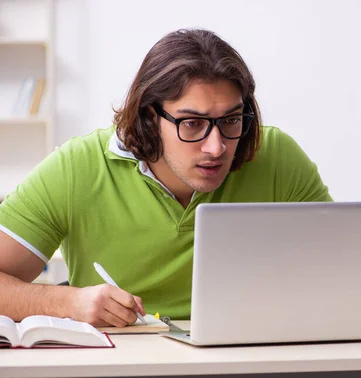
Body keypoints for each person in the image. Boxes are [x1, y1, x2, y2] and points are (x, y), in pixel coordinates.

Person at [0, 28, 331, 326]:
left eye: (231, 120)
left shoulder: (276, 155)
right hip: (122, 371)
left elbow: (342, 268)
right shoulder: (77, 167)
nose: (217, 147)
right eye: (192, 124)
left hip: (253, 361)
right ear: (149, 116)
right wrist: (66, 302)